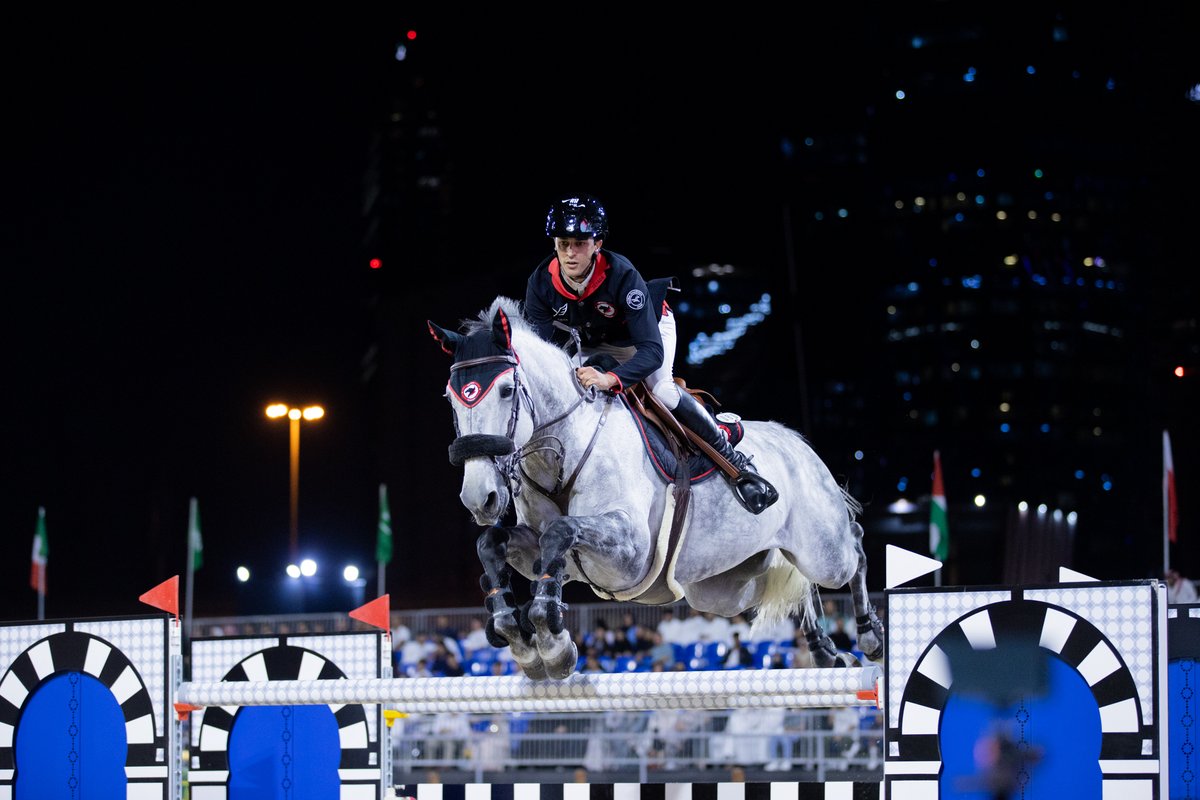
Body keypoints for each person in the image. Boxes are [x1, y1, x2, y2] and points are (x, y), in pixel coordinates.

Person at [524, 193, 778, 515]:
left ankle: (733, 459)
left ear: (597, 243)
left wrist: (610, 378)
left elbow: (651, 352)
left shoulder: (621, 275)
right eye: (563, 244)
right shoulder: (540, 284)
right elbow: (547, 351)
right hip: (594, 341)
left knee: (663, 390)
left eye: (580, 243)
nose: (570, 254)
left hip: (647, 332)